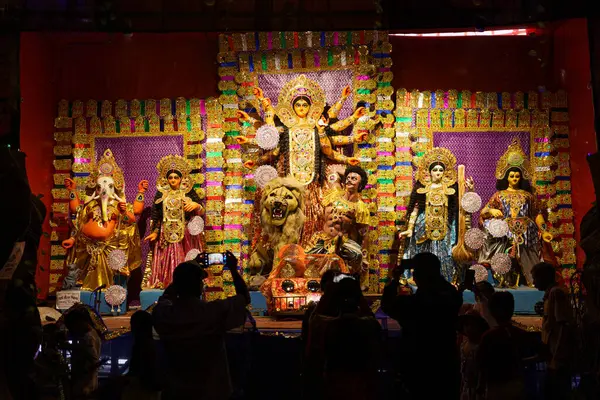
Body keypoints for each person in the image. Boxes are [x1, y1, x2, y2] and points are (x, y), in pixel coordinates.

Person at [152, 251, 250, 400]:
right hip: (211, 390)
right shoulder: (212, 312)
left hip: (177, 390)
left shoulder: (166, 315)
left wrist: (188, 271)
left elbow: (166, 296)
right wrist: (232, 270)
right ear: (199, 286)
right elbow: (244, 298)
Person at [381, 252, 463, 400]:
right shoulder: (450, 297)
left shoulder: (414, 304)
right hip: (445, 364)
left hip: (418, 366)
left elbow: (388, 304)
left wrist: (394, 280)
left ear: (419, 277)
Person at [61, 149, 144, 290]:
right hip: (88, 248)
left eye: (109, 186)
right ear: (96, 190)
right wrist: (72, 191)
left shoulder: (119, 206)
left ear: (114, 188)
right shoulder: (90, 205)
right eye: (100, 187)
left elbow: (131, 219)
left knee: (111, 282)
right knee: (84, 280)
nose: (104, 190)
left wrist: (138, 195)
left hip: (110, 248)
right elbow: (78, 217)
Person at [478, 138, 554, 287]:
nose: (514, 178)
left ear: (521, 177)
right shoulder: (499, 195)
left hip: (526, 230)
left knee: (528, 236)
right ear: (507, 177)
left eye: (517, 176)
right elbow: (484, 212)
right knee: (494, 230)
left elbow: (537, 214)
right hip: (505, 230)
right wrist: (492, 210)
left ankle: (532, 277)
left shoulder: (528, 196)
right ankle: (504, 276)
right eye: (511, 176)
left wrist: (544, 230)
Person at [399, 148, 474, 283]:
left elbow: (462, 206)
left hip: (445, 226)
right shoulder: (422, 188)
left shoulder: (451, 189)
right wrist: (410, 228)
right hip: (423, 225)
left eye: (441, 170)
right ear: (429, 172)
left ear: (445, 172)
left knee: (446, 254)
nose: (438, 173)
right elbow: (416, 209)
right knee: (422, 253)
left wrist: (470, 189)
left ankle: (445, 279)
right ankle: (420, 278)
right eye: (435, 170)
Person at [144, 154, 204, 289]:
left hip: (185, 233)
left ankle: (186, 284)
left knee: (185, 257)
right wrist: (155, 232)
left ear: (181, 178)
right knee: (166, 257)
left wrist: (196, 205)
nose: (173, 180)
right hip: (166, 232)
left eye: (176, 177)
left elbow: (201, 209)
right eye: (170, 177)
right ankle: (168, 282)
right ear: (166, 179)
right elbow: (156, 214)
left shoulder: (188, 192)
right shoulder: (161, 194)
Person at [307, 164, 371, 285]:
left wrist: (364, 256)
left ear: (360, 184)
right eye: (348, 177)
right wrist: (347, 169)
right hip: (323, 239)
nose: (349, 180)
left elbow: (364, 235)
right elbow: (332, 171)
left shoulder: (361, 208)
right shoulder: (334, 193)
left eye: (354, 178)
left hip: (343, 244)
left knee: (352, 261)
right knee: (307, 262)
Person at [477, 291, 541, 400]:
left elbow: (482, 365)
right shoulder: (521, 334)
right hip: (517, 384)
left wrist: (480, 386)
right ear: (512, 310)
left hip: (495, 386)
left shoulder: (488, 337)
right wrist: (523, 361)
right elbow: (543, 352)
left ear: (492, 311)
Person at [531, 262, 574, 399]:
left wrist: (557, 356)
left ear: (543, 278)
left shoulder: (556, 293)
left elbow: (563, 326)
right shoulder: (551, 294)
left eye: (535, 278)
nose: (533, 282)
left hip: (558, 358)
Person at [63, 306, 103, 399]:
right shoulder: (92, 334)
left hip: (84, 386)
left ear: (78, 323)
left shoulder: (88, 338)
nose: (73, 331)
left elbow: (93, 360)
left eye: (72, 327)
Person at [122, 310, 160, 400]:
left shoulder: (144, 346)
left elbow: (143, 373)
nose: (131, 328)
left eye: (133, 324)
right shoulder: (148, 344)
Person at [457, 314, 489, 400]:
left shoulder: (480, 347)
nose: (469, 328)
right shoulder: (463, 345)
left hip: (478, 388)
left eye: (472, 325)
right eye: (466, 325)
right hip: (466, 388)